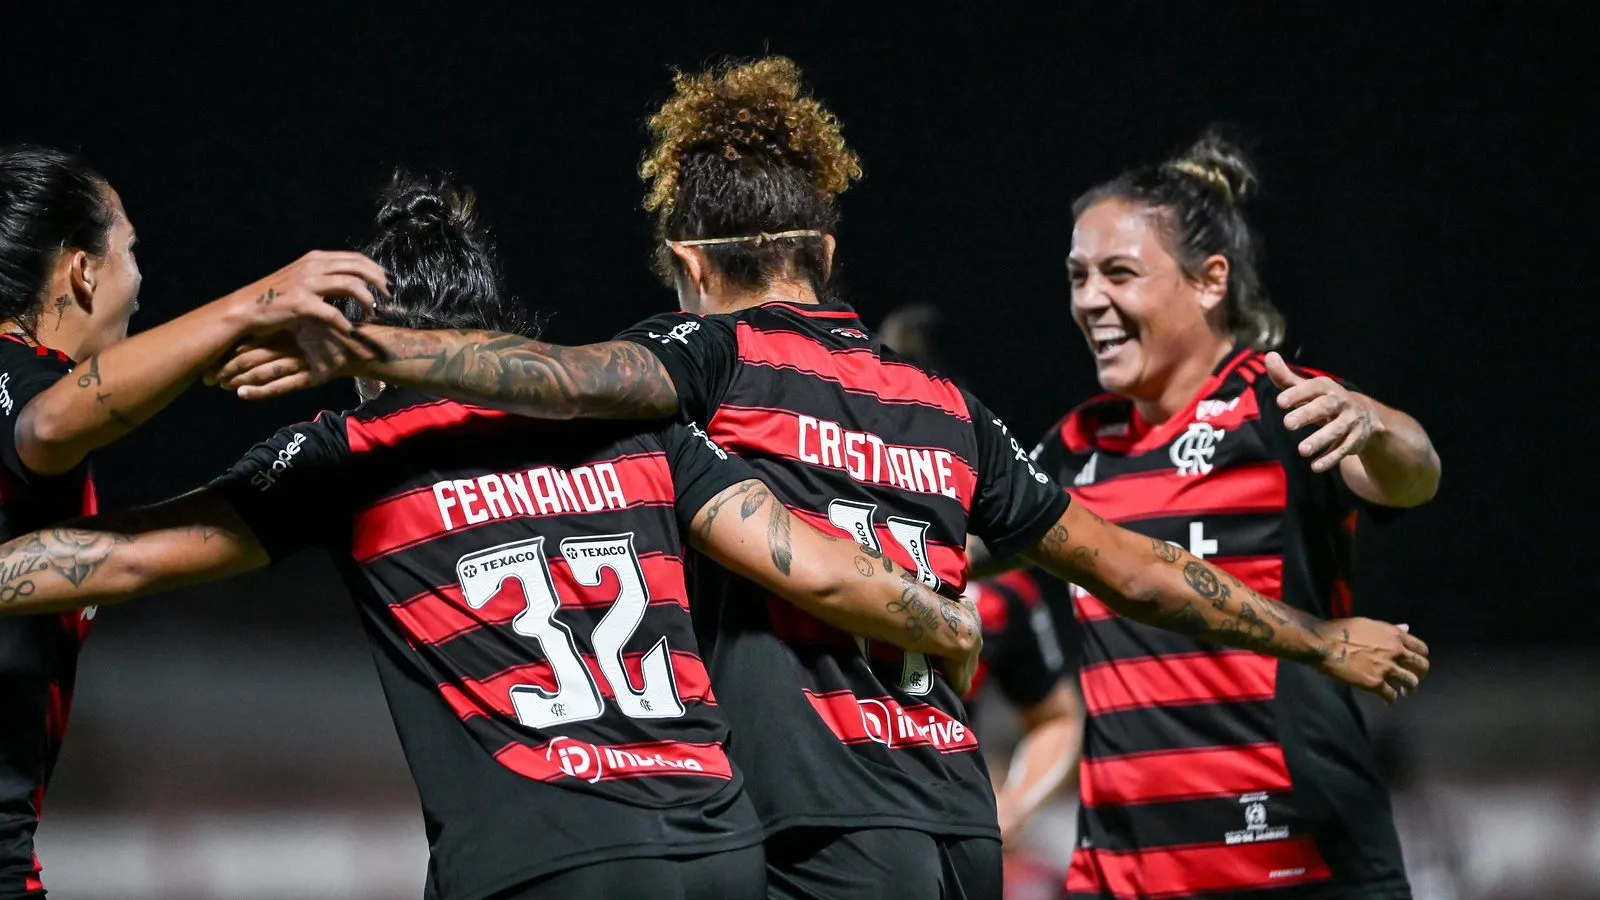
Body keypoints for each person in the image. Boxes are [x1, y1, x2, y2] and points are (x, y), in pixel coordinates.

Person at [215, 59, 1431, 899]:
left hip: (821, 834)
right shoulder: (952, 410)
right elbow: (1135, 568)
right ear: (829, 254)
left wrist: (366, 346)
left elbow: (554, 378)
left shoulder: (712, 354)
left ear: (688, 265)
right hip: (960, 829)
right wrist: (1321, 644)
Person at [0, 172, 987, 900]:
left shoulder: (353, 450)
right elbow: (817, 569)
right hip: (719, 850)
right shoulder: (639, 429)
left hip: (540, 857)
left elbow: (125, 558)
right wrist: (945, 623)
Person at [1018, 131, 1440, 898]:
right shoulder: (1076, 445)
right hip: (1118, 878)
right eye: (1077, 277)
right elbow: (954, 544)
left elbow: (1413, 475)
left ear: (1210, 281)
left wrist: (1375, 423)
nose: (1088, 300)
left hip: (1293, 866)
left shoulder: (1279, 410)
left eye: (1118, 274)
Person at [0, 144, 387, 898]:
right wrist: (255, 302)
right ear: (83, 270)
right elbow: (50, 423)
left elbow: (130, 555)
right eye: (131, 252)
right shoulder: (17, 384)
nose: (139, 286)